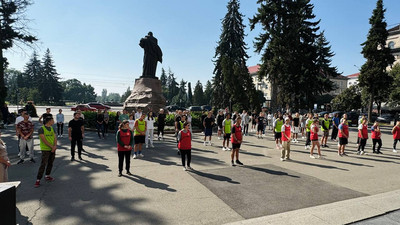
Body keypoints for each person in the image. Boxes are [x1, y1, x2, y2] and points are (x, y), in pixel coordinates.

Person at [34, 117, 57, 188]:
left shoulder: (52, 128)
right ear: (49, 121)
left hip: (52, 149)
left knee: (50, 163)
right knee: (43, 164)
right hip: (45, 149)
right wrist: (52, 147)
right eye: (52, 120)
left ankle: (47, 175)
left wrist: (55, 146)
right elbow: (43, 140)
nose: (53, 121)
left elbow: (55, 138)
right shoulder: (41, 129)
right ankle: (38, 180)